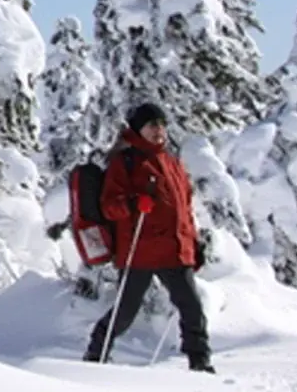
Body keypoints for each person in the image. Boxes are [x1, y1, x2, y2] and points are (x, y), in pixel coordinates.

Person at [83, 102, 215, 374]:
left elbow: (184, 211)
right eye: (152, 125)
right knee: (125, 313)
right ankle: (96, 354)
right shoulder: (125, 162)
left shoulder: (173, 163)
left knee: (192, 307)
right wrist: (133, 203)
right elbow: (110, 205)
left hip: (173, 250)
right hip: (139, 251)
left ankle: (200, 363)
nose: (159, 130)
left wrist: (193, 243)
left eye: (162, 125)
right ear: (138, 129)